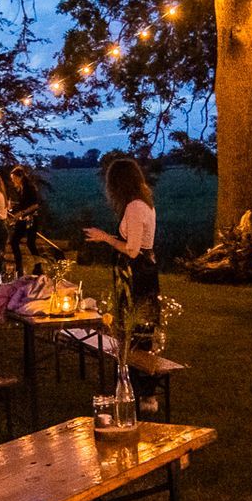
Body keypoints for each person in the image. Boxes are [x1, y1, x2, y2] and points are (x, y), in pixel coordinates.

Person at [83, 157, 160, 376]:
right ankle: (134, 375)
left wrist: (105, 238)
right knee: (138, 322)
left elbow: (133, 250)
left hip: (136, 273)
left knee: (135, 322)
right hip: (143, 270)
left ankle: (137, 377)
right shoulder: (145, 204)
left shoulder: (135, 207)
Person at [7, 165, 44, 275]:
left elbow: (35, 205)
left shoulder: (29, 188)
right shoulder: (20, 189)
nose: (13, 181)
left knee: (30, 243)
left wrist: (22, 213)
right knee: (14, 241)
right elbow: (24, 203)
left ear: (20, 177)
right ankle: (19, 267)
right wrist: (13, 206)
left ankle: (38, 267)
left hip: (31, 219)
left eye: (14, 178)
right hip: (23, 219)